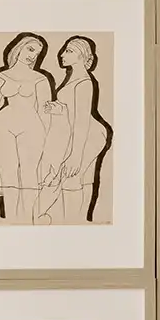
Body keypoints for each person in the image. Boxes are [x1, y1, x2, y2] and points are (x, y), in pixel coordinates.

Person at [0, 33, 57, 223]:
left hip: (32, 128)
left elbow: (45, 112)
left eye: (37, 53)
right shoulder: (1, 76)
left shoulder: (40, 79)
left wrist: (44, 138)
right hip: (3, 127)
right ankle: (12, 220)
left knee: (29, 172)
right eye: (30, 49)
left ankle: (27, 220)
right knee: (7, 174)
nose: (33, 56)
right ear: (19, 48)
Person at [51, 35, 113, 224]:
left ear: (81, 56)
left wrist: (75, 154)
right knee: (83, 180)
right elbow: (72, 110)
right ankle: (82, 222)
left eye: (69, 51)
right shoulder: (72, 78)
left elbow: (82, 119)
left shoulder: (85, 82)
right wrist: (59, 109)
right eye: (64, 49)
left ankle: (73, 223)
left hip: (89, 134)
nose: (62, 54)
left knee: (71, 178)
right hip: (82, 133)